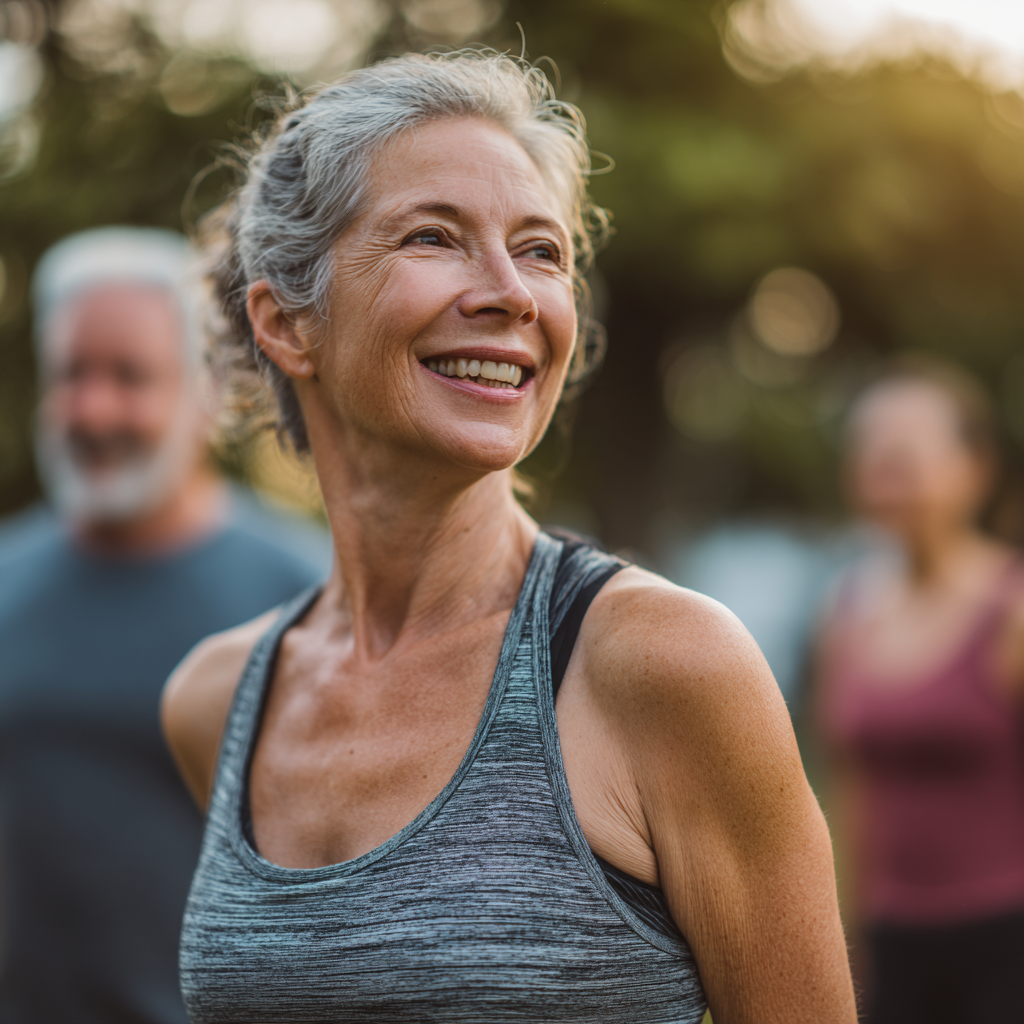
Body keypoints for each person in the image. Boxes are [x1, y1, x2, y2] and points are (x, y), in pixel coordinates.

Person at [162, 51, 855, 1024]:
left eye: (540, 251)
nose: (513, 293)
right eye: (434, 237)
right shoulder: (216, 703)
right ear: (285, 323)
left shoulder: (665, 667)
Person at [0, 227, 331, 1024]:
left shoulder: (307, 598)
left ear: (206, 392)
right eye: (72, 374)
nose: (92, 408)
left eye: (129, 376)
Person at [814, 363, 1024, 1024]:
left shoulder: (1012, 611)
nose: (883, 479)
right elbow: (846, 787)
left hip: (1005, 940)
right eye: (870, 459)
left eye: (902, 460)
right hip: (890, 943)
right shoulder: (846, 608)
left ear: (976, 469)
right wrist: (844, 931)